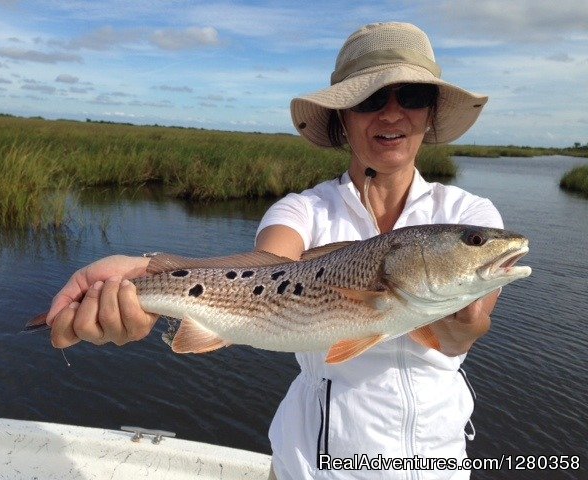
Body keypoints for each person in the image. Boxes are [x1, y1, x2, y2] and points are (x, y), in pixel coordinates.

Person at [46, 22, 502, 480]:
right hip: (311, 466)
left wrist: (467, 323)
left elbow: (457, 338)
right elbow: (266, 273)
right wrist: (148, 272)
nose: (391, 115)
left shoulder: (468, 214)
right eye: (369, 100)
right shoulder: (302, 209)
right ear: (343, 116)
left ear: (431, 112)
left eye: (413, 97)